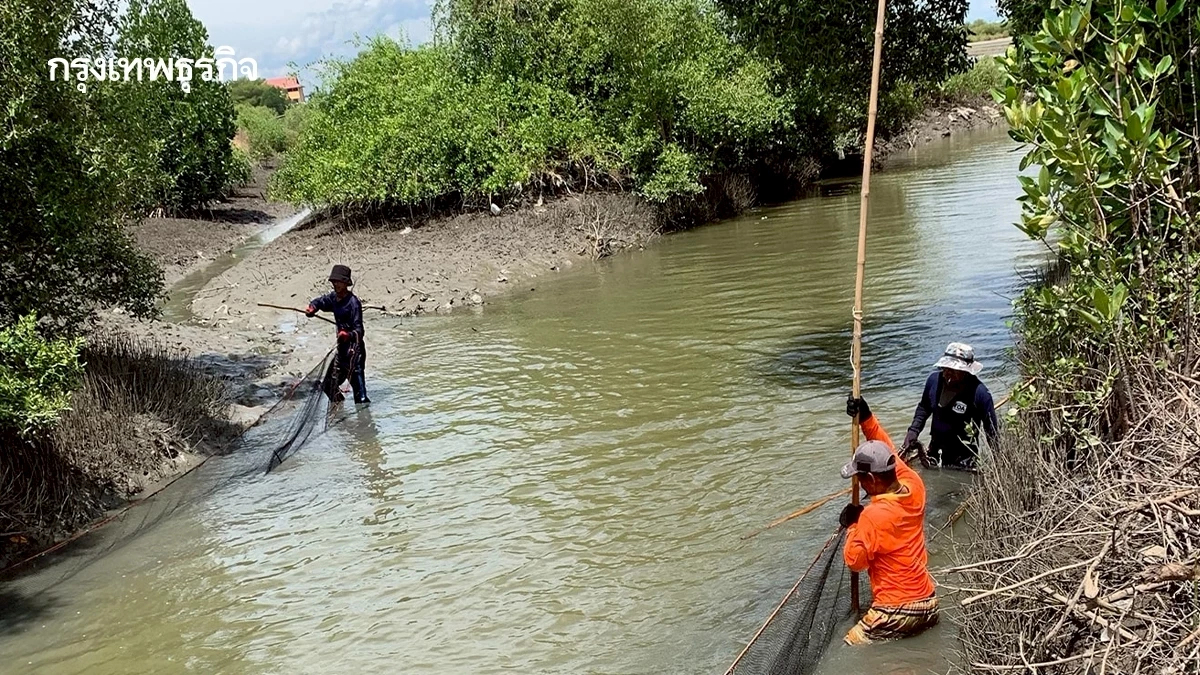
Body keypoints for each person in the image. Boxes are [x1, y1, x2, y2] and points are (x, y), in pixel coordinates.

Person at [839, 395, 938, 645]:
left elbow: (854, 561)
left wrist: (853, 524)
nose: (859, 483)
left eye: (860, 478)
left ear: (871, 481)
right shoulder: (915, 486)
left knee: (849, 645)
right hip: (928, 602)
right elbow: (889, 452)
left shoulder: (872, 517)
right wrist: (866, 419)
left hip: (895, 611)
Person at [902, 342, 998, 470]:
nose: (948, 373)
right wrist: (913, 431)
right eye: (945, 368)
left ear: (966, 372)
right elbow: (924, 408)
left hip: (964, 462)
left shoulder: (980, 394)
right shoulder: (933, 381)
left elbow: (992, 433)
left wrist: (998, 465)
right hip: (934, 454)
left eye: (954, 370)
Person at [306, 264, 370, 405]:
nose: (335, 284)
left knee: (361, 398)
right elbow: (320, 302)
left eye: (338, 282)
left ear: (346, 283)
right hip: (341, 353)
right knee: (328, 386)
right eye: (333, 282)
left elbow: (360, 332)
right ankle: (339, 410)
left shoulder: (354, 303)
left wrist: (347, 335)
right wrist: (313, 308)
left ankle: (363, 421)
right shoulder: (334, 299)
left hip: (355, 355)